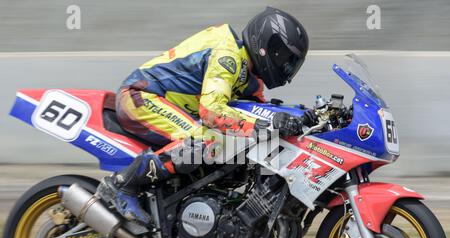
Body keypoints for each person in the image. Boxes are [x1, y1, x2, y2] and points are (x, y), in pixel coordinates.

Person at [97, 7, 313, 224]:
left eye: (292, 64)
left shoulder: (249, 77)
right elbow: (212, 113)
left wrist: (300, 117)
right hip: (140, 97)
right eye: (285, 58)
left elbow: (260, 110)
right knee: (205, 141)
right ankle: (121, 184)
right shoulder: (227, 56)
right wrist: (266, 125)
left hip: (165, 104)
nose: (286, 67)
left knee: (228, 146)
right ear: (267, 45)